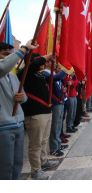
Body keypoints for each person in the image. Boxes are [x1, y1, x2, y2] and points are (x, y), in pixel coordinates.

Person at [0, 40, 37, 180]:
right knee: (5, 167)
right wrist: (23, 49)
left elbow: (25, 98)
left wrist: (21, 98)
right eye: (4, 55)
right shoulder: (3, 70)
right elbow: (2, 67)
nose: (8, 58)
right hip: (3, 127)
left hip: (18, 124)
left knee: (17, 164)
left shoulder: (12, 75)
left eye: (10, 55)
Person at [20, 52, 60, 179]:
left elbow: (56, 78)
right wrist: (45, 57)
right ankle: (35, 170)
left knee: (43, 141)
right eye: (39, 60)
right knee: (35, 144)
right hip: (35, 114)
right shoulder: (25, 73)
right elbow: (33, 65)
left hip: (46, 112)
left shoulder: (40, 74)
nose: (43, 63)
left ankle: (43, 161)